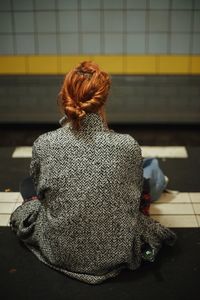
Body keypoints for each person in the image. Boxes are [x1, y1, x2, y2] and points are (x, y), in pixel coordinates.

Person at [10, 61, 176, 285]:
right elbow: (133, 196)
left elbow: (42, 194)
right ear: (102, 100)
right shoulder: (127, 145)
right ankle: (159, 178)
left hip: (60, 251)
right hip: (117, 251)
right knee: (146, 178)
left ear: (65, 96)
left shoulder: (45, 143)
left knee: (27, 185)